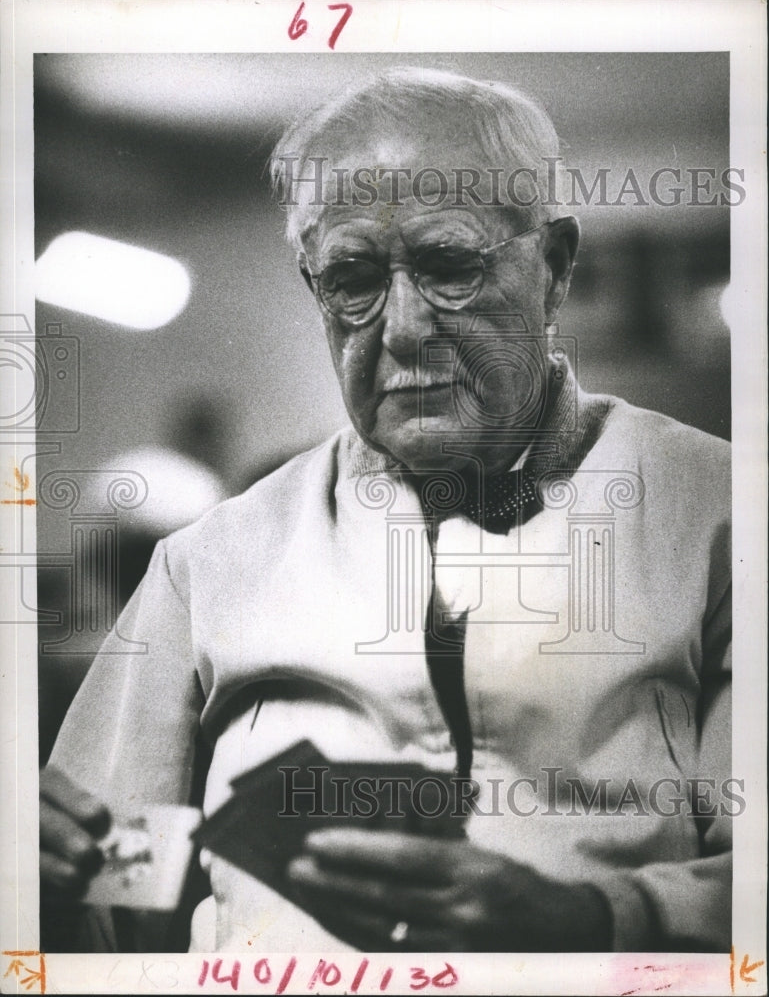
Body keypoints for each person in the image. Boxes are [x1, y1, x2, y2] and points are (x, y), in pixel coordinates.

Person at [40, 68, 731, 954]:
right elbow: (111, 897)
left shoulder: (717, 519)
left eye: (450, 268)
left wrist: (588, 920)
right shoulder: (209, 563)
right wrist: (47, 882)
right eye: (354, 279)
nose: (402, 328)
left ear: (555, 269)